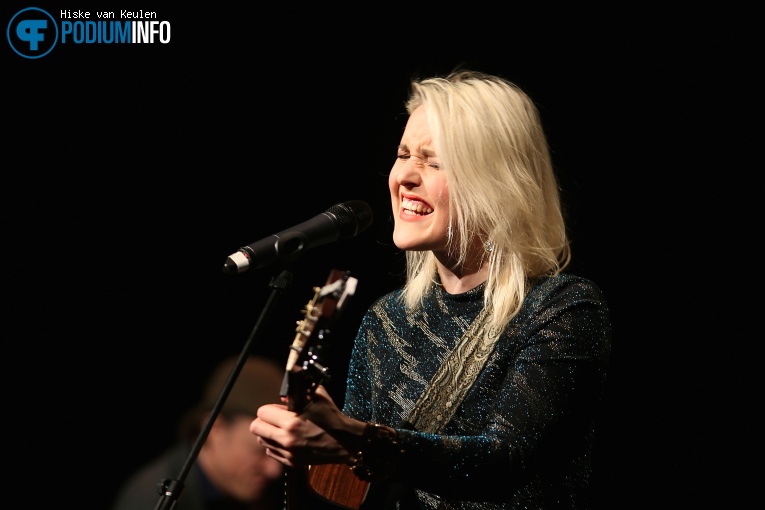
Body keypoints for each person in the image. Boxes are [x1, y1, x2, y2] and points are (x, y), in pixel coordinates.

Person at [250, 69, 613, 509]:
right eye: (403, 154)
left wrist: (351, 438)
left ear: (499, 183)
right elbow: (357, 488)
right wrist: (316, 442)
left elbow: (500, 462)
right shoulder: (386, 320)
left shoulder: (562, 309)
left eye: (434, 161)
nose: (406, 176)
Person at [111, 355, 286, 510]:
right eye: (260, 450)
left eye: (277, 451)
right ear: (215, 429)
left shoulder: (257, 496)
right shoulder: (149, 502)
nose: (274, 470)